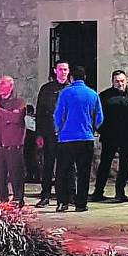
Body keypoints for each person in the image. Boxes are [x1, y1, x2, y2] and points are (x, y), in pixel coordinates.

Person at [53, 66, 104, 212]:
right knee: (84, 172)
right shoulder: (93, 94)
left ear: (71, 78)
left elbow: (58, 115)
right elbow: (99, 117)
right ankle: (81, 204)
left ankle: (63, 202)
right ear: (85, 77)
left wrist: (58, 130)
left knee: (62, 172)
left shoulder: (65, 93)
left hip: (67, 139)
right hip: (86, 138)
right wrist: (92, 129)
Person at [91, 70, 128, 203]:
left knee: (125, 166)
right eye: (117, 81)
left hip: (127, 137)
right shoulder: (104, 96)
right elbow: (97, 115)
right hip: (109, 136)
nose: (120, 84)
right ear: (112, 82)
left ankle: (120, 192)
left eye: (122, 81)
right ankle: (98, 191)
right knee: (105, 164)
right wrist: (101, 130)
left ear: (126, 81)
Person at [34, 60, 74, 207]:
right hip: (49, 134)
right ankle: (45, 195)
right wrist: (39, 134)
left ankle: (70, 196)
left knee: (69, 166)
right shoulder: (46, 89)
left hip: (67, 135)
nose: (63, 72)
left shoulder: (71, 89)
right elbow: (40, 113)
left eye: (65, 69)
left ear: (68, 72)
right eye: (60, 69)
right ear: (55, 71)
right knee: (48, 166)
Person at [0, 75, 26, 207]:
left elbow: (16, 118)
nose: (0, 86)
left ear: (11, 86)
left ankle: (18, 199)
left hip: (13, 145)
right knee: (0, 175)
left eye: (3, 83)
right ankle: (3, 200)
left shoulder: (18, 102)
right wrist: (5, 118)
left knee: (16, 174)